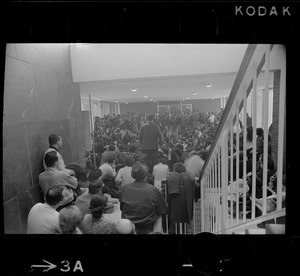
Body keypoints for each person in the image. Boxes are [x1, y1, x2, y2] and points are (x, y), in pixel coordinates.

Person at [120, 161, 168, 234]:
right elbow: (162, 210)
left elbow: (122, 208)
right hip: (148, 229)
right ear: (146, 175)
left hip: (128, 228)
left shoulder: (125, 188)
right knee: (159, 215)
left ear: (132, 175)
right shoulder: (154, 190)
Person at [166, 162, 195, 234]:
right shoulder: (190, 177)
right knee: (184, 223)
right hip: (186, 204)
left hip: (174, 204)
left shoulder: (170, 178)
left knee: (174, 222)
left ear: (175, 170)